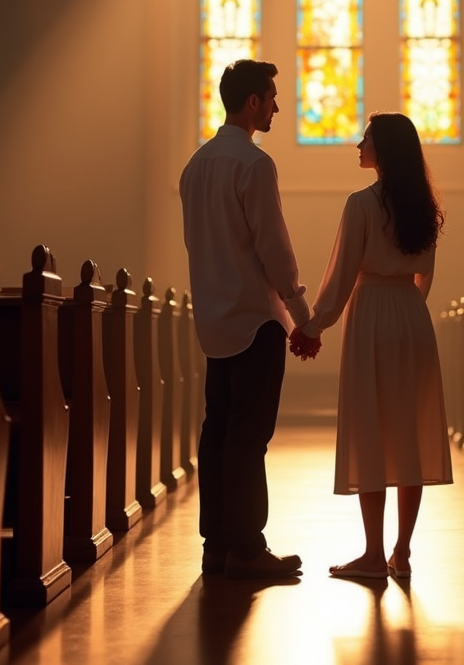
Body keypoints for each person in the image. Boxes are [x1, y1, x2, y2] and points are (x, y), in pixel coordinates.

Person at [290, 111, 453, 579]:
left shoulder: (361, 204)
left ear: (383, 150)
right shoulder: (424, 205)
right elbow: (425, 275)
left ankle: (372, 554)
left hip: (373, 314)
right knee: (408, 434)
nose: (358, 145)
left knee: (372, 430)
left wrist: (313, 326)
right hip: (411, 316)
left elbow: (341, 276)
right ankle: (402, 550)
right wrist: (407, 307)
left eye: (366, 139)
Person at [179, 59, 311, 579]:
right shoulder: (254, 165)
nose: (277, 104)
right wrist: (300, 315)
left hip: (213, 317)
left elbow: (197, 244)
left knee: (217, 431)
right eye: (272, 96)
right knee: (249, 434)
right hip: (255, 320)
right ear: (252, 102)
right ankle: (248, 548)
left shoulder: (196, 165)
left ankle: (217, 543)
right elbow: (274, 250)